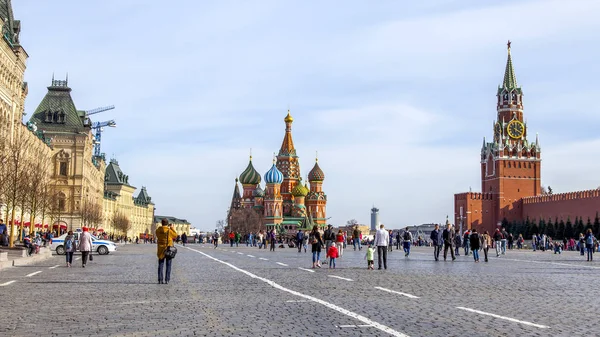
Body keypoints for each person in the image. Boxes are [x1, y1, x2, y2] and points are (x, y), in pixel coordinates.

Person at [156, 219, 177, 284]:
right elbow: (175, 235)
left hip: (160, 249)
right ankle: (167, 279)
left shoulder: (158, 230)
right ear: (167, 224)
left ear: (161, 223)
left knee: (160, 265)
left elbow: (157, 234)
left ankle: (160, 279)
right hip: (168, 249)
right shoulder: (169, 230)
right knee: (168, 265)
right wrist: (171, 228)